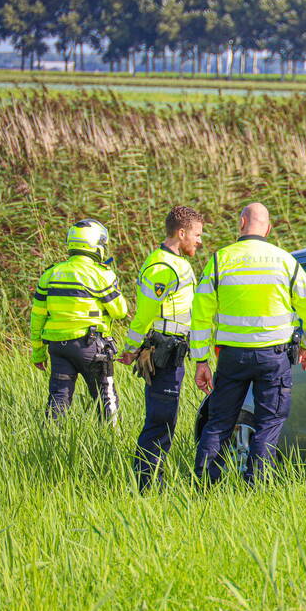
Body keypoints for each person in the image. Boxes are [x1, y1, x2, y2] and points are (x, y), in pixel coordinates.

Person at [189, 203, 306, 484]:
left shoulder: (219, 261)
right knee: (268, 423)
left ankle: (203, 486)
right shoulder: (285, 261)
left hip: (231, 358)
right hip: (273, 357)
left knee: (218, 423)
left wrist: (200, 360)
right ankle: (257, 485)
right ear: (268, 228)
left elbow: (200, 317)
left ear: (241, 223)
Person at [118, 206, 204, 491]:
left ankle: (152, 481)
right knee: (160, 421)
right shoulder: (162, 267)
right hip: (163, 353)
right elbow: (143, 315)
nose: (199, 241)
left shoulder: (177, 263)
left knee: (166, 421)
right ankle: (146, 485)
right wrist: (130, 349)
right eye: (196, 234)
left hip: (176, 351)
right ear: (181, 233)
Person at [30, 219, 128, 423]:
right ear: (96, 245)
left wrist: (38, 352)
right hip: (90, 347)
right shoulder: (100, 274)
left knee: (58, 399)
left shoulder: (50, 274)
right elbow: (120, 311)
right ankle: (112, 444)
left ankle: (50, 443)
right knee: (105, 398)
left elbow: (37, 316)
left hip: (58, 348)